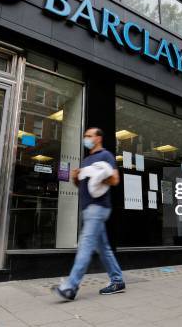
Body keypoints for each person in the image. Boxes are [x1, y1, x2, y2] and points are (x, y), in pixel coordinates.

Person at [52, 127, 125, 301]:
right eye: (85, 136)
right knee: (103, 248)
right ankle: (117, 280)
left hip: (98, 207)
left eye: (89, 136)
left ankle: (70, 287)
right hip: (88, 208)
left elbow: (115, 179)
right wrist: (76, 177)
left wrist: (98, 176)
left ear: (98, 138)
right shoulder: (86, 160)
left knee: (85, 245)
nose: (86, 138)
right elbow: (82, 186)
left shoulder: (105, 156)